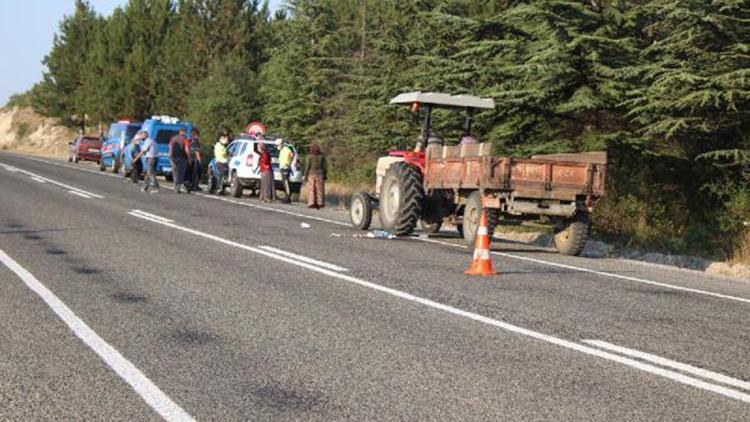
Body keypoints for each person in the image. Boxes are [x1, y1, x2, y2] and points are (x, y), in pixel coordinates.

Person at [168, 128, 191, 194]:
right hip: (182, 158)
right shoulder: (185, 139)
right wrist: (189, 158)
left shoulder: (173, 138)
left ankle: (176, 187)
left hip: (173, 157)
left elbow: (170, 147)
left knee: (175, 172)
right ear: (184, 132)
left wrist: (170, 155)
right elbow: (187, 149)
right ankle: (178, 187)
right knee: (181, 173)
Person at [304, 144, 327, 209]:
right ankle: (320, 202)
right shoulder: (322, 156)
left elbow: (307, 166)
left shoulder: (309, 156)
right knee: (319, 189)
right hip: (320, 174)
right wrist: (325, 174)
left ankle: (311, 203)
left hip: (311, 174)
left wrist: (305, 175)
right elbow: (324, 167)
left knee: (312, 189)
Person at [276, 138, 294, 203]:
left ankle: (288, 197)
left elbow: (291, 155)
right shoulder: (281, 150)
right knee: (284, 183)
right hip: (282, 168)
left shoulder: (286, 149)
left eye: (278, 145)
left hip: (285, 168)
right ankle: (286, 196)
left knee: (286, 183)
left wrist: (288, 163)